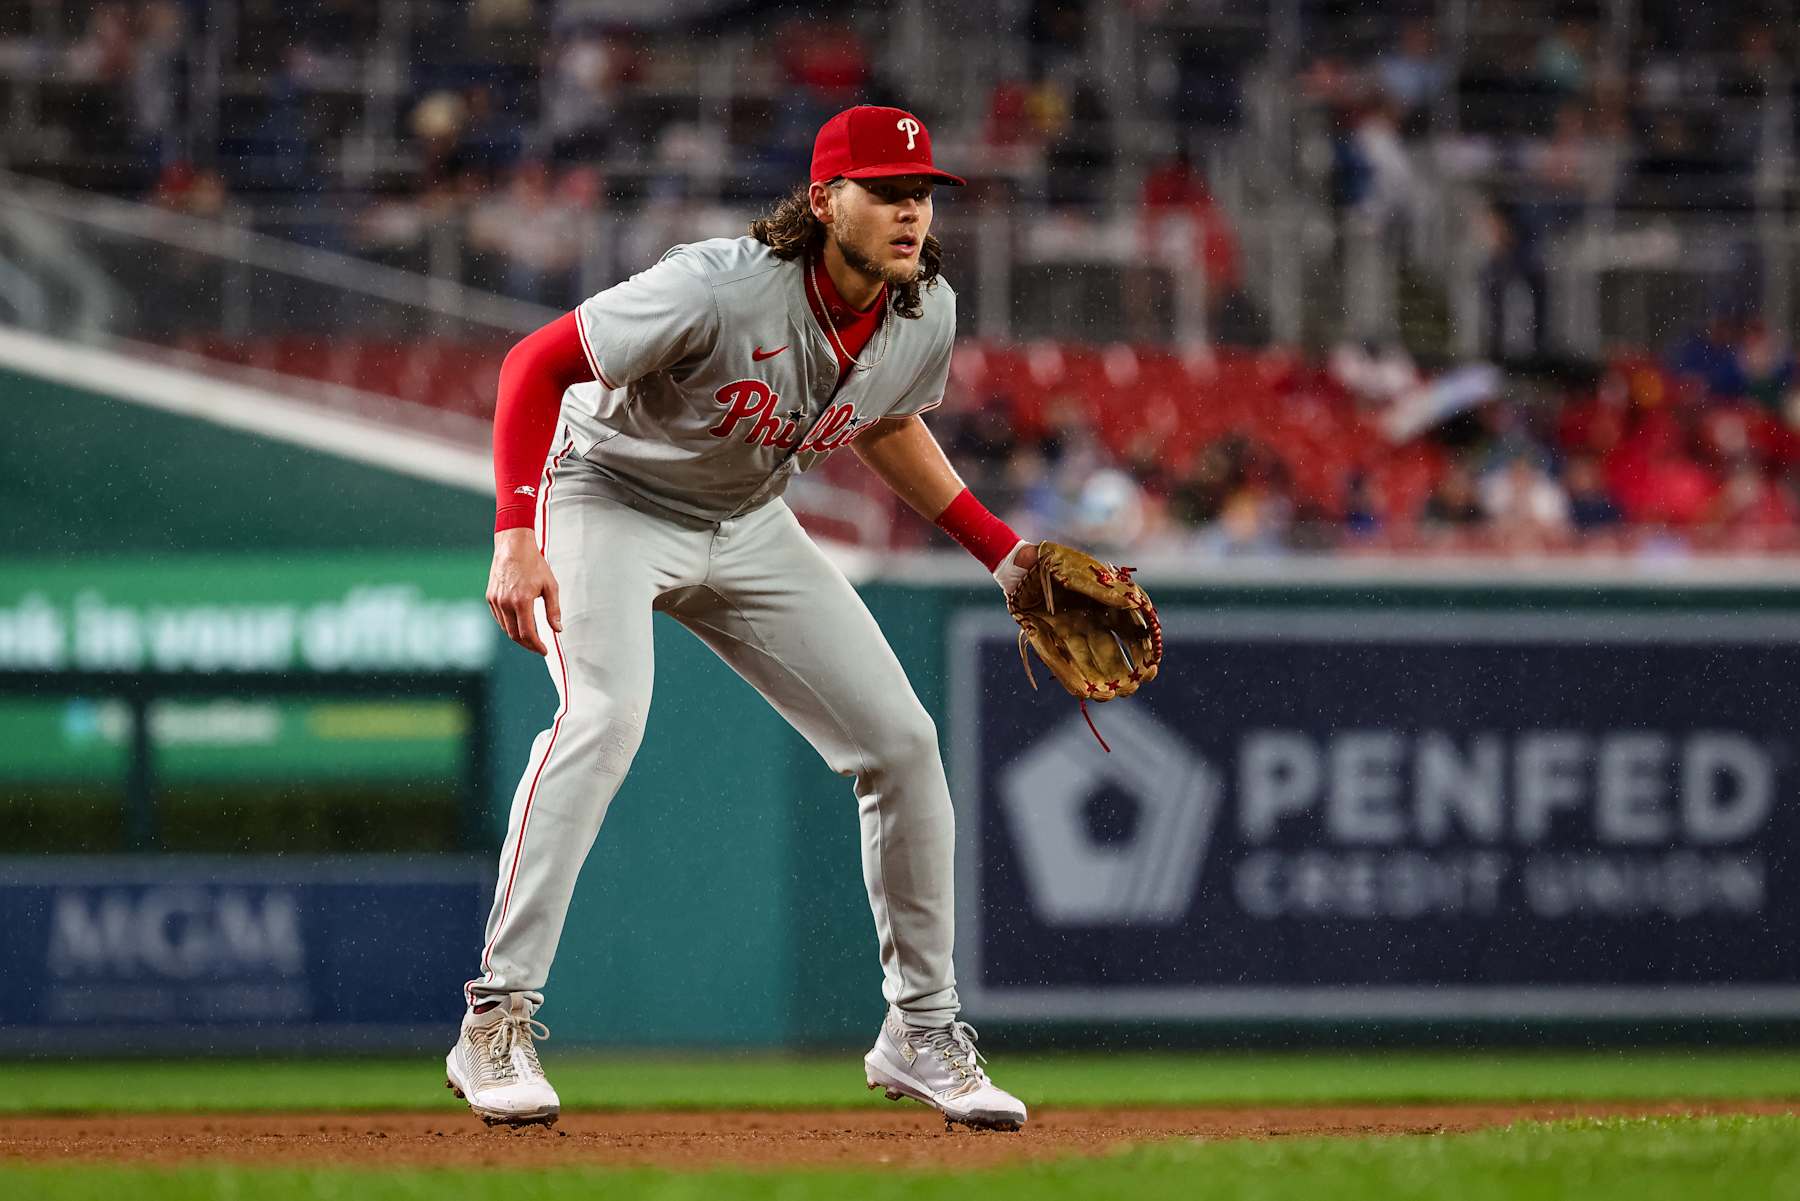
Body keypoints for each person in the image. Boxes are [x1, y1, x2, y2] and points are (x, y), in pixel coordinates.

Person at [446, 106, 1037, 1133]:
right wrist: (515, 529)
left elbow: (888, 421)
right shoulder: (718, 283)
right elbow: (535, 363)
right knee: (603, 720)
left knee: (901, 743)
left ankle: (921, 1029)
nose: (910, 212)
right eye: (887, 193)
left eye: (922, 193)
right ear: (823, 202)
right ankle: (494, 1019)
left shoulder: (921, 306)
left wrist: (1005, 553)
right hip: (608, 497)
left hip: (746, 518)